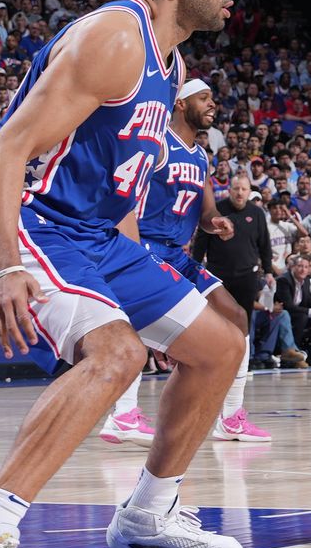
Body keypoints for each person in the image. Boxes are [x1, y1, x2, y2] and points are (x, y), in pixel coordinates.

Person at [0, 0, 248, 548]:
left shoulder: (168, 64)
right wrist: (9, 266)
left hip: (93, 233)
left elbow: (116, 176)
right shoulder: (115, 38)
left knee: (219, 346)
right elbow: (4, 154)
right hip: (25, 217)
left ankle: (149, 514)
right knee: (115, 354)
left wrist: (135, 268)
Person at [99, 79, 266, 445]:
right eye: (203, 98)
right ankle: (124, 414)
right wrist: (132, 249)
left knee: (236, 316)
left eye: (212, 99)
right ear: (180, 104)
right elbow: (123, 197)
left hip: (179, 252)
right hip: (145, 247)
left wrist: (215, 223)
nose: (212, 105)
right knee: (136, 326)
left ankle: (231, 418)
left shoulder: (200, 156)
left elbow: (206, 212)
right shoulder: (156, 145)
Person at [195, 170, 276, 369]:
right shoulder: (217, 210)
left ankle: (241, 363)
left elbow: (264, 245)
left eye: (244, 189)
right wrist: (195, 267)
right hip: (218, 276)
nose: (240, 193)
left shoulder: (256, 213)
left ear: (249, 192)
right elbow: (200, 242)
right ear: (229, 190)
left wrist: (268, 271)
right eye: (236, 188)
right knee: (218, 319)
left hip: (247, 275)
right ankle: (216, 360)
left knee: (244, 319)